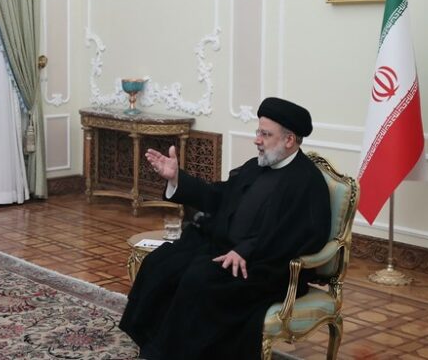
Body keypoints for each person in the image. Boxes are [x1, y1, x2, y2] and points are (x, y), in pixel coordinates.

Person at [119, 97, 331, 359]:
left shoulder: (307, 182)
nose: (257, 140)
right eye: (258, 132)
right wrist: (177, 178)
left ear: (289, 140)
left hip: (263, 267)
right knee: (162, 262)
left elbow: (300, 237)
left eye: (265, 134)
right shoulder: (256, 167)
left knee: (199, 279)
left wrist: (245, 251)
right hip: (224, 249)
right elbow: (218, 196)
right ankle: (153, 342)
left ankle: (176, 353)